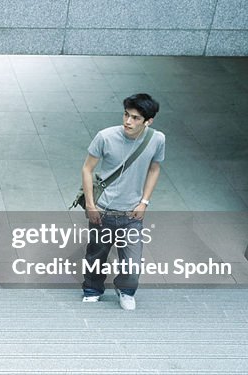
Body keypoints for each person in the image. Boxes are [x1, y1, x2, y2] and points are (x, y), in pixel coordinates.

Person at [80, 93, 165, 310]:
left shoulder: (157, 139)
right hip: (104, 209)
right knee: (96, 255)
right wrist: (91, 205)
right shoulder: (105, 136)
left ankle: (125, 290)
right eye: (126, 115)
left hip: (132, 214)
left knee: (133, 262)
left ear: (148, 121)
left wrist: (144, 202)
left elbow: (155, 168)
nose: (128, 121)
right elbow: (87, 169)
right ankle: (92, 289)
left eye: (136, 118)